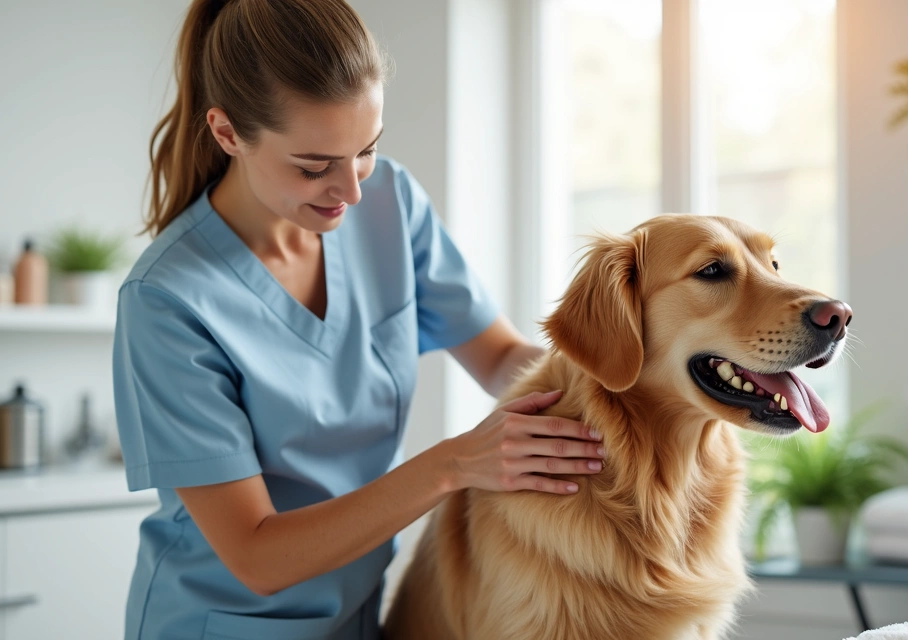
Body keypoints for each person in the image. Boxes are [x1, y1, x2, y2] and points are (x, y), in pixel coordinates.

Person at [111, 1, 607, 638]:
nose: (349, 190)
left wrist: (628, 368)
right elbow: (257, 556)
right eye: (314, 167)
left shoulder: (390, 203)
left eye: (366, 150)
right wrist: (454, 463)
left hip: (358, 616)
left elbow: (505, 360)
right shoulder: (167, 300)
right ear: (228, 133)